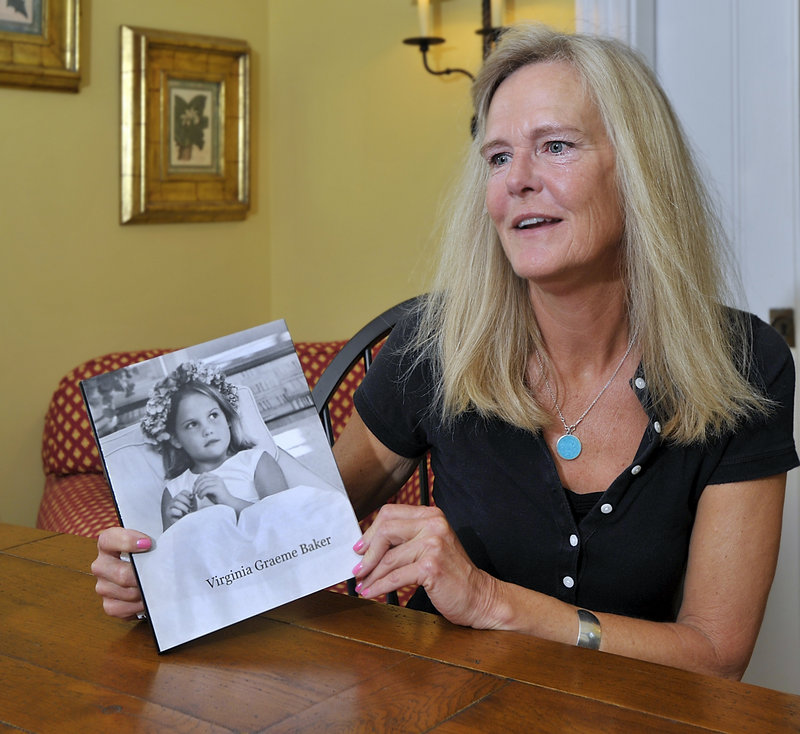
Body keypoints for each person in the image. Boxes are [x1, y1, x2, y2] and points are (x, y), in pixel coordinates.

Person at [91, 25, 797, 680]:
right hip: (442, 705)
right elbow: (287, 537)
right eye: (497, 156)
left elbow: (714, 656)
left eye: (556, 146)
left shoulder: (743, 365)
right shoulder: (435, 348)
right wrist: (163, 575)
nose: (517, 178)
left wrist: (494, 602)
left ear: (637, 169)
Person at [139, 361, 289, 530]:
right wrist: (182, 525)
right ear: (176, 439)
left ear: (227, 418)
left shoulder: (256, 461)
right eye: (192, 424)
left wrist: (228, 500)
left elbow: (285, 518)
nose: (207, 430)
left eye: (213, 415)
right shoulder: (174, 490)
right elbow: (174, 552)